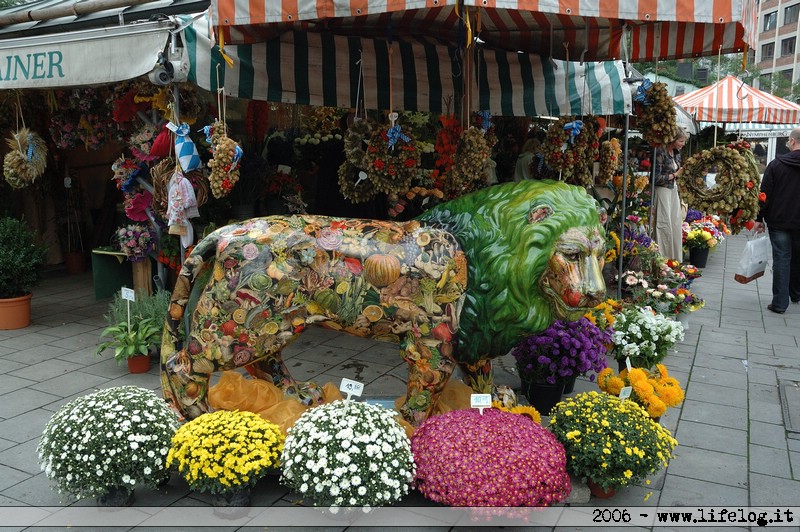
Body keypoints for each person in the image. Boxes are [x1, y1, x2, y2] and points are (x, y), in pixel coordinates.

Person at [752, 127, 800, 314]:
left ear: (793, 141)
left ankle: (780, 303)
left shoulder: (776, 164)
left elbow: (764, 194)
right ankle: (795, 293)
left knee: (782, 259)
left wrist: (759, 218)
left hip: (779, 220)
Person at [652, 129, 688, 263]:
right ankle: (663, 259)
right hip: (662, 190)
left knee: (675, 222)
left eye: (683, 141)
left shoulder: (676, 154)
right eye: (680, 141)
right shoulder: (660, 152)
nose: (682, 144)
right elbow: (655, 178)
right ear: (673, 140)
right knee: (664, 222)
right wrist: (674, 175)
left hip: (673, 189)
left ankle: (675, 258)